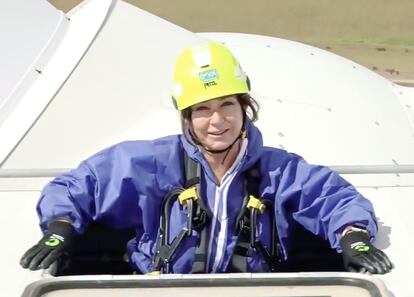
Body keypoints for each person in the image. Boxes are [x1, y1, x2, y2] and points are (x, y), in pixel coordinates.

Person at [20, 41, 393, 275]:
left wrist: (354, 238)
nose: (218, 121)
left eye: (228, 105)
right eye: (203, 109)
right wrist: (59, 230)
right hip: (162, 290)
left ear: (245, 108)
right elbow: (77, 186)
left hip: (254, 290)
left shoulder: (278, 169)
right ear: (185, 115)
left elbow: (334, 198)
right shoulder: (151, 162)